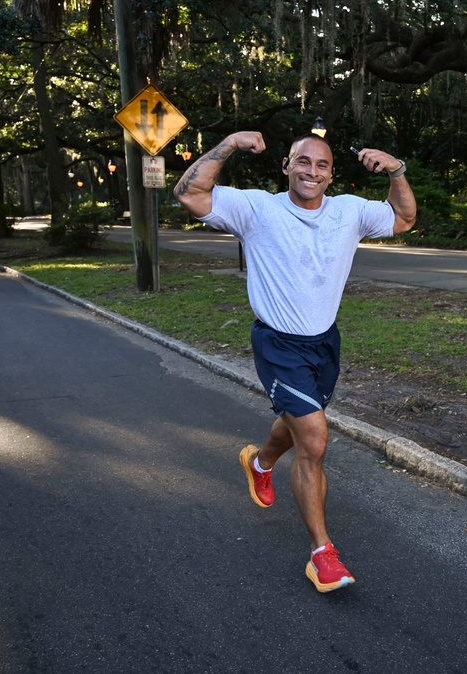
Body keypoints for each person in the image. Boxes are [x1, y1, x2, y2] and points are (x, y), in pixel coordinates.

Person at [173, 131, 416, 593]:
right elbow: (189, 192)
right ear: (286, 166)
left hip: (324, 344)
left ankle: (260, 464)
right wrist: (227, 145)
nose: (311, 171)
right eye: (302, 162)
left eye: (321, 165)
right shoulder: (257, 209)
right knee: (316, 439)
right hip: (278, 343)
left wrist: (397, 170)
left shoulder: (349, 211)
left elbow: (403, 219)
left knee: (302, 422)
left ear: (331, 174)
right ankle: (322, 556)